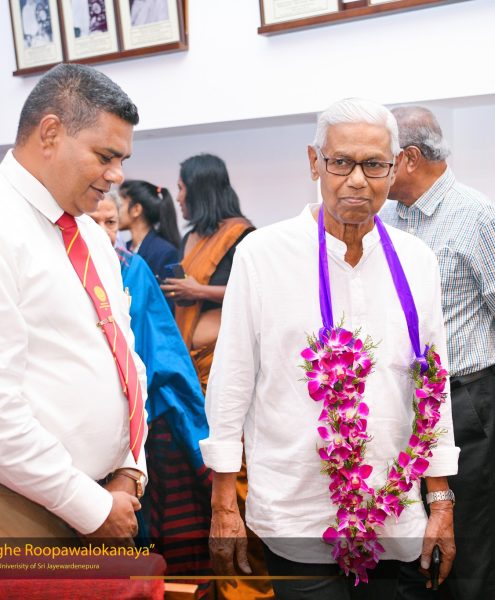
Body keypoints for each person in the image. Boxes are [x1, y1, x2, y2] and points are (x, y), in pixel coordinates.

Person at [199, 98, 460, 599]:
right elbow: (232, 382)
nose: (357, 180)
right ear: (314, 162)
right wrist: (223, 504)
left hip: (392, 514)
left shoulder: (417, 260)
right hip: (296, 512)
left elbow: (434, 387)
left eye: (374, 164)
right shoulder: (263, 255)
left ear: (395, 167)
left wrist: (441, 501)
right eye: (341, 162)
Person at [0, 63, 147, 544]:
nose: (117, 175)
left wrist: (129, 467)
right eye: (105, 156)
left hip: (108, 496)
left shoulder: (90, 234)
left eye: (122, 159)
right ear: (50, 133)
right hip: (26, 508)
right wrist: (89, 505)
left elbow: (125, 358)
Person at [380, 105, 495, 600]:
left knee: (466, 543)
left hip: (465, 403)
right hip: (397, 405)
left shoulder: (476, 217)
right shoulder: (384, 219)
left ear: (408, 158)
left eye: (380, 159)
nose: (371, 171)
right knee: (406, 538)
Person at [161, 154, 273, 599]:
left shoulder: (243, 237)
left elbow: (257, 292)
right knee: (202, 481)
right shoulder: (192, 237)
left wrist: (198, 290)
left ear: (201, 187)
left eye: (182, 187)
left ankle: (252, 586)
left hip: (223, 375)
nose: (178, 196)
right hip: (190, 374)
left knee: (236, 479)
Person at [89, 194, 212, 593]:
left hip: (138, 428)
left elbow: (164, 352)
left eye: (111, 223)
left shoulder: (132, 268)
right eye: (95, 221)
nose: (104, 233)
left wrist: (194, 434)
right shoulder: (58, 270)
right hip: (77, 436)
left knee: (141, 535)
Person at [118, 179, 179, 312]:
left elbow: (169, 306)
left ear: (136, 210)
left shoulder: (166, 252)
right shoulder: (124, 248)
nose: (116, 210)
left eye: (120, 205)